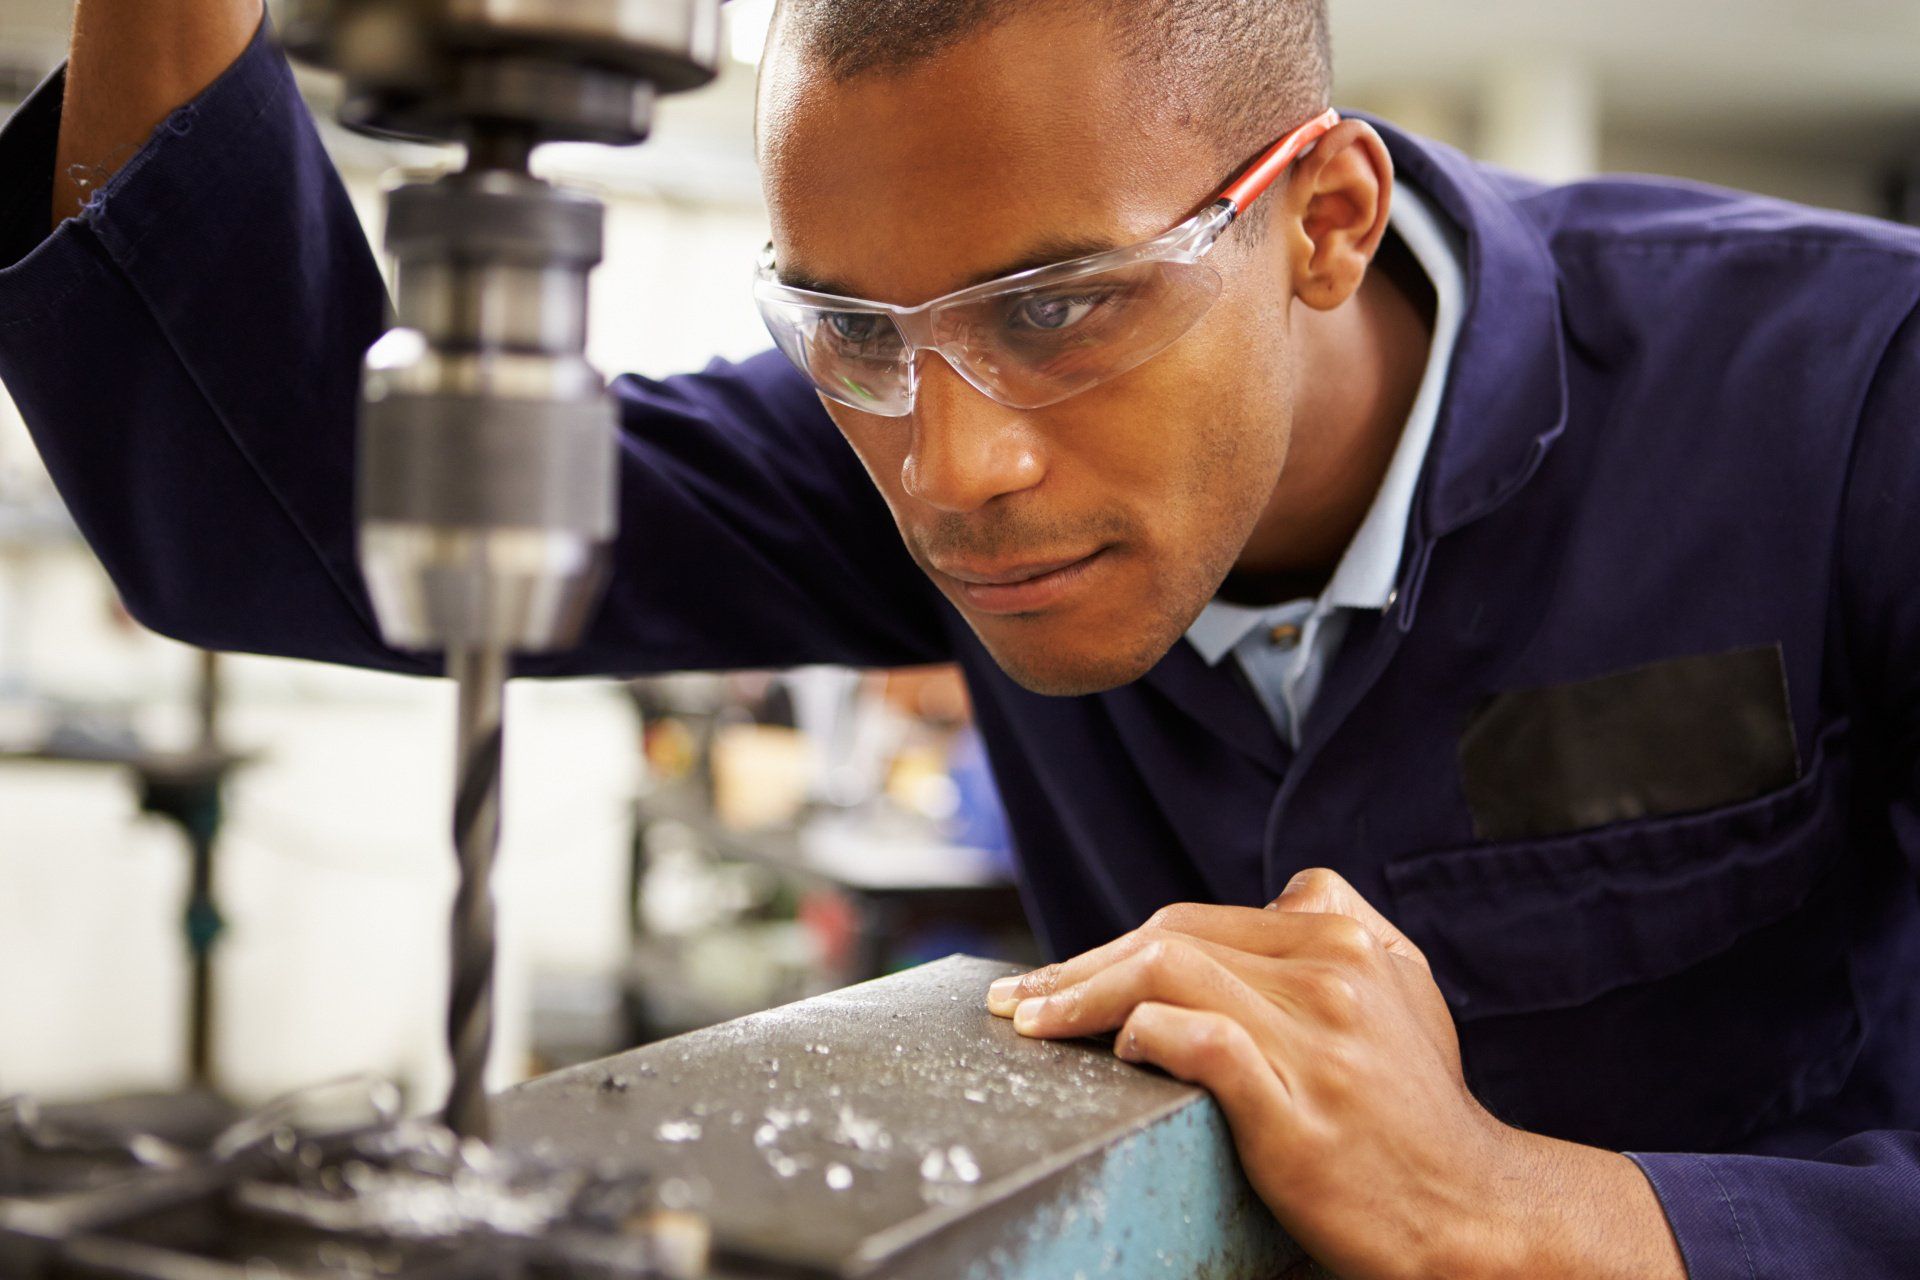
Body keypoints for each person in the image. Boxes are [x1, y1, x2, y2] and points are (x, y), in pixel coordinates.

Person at [3, 0, 1918, 1274]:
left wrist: (1548, 1214)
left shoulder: (1847, 402)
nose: (953, 468)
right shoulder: (910, 435)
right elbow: (283, 523)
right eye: (849, 331)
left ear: (1323, 219)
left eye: (1064, 308)